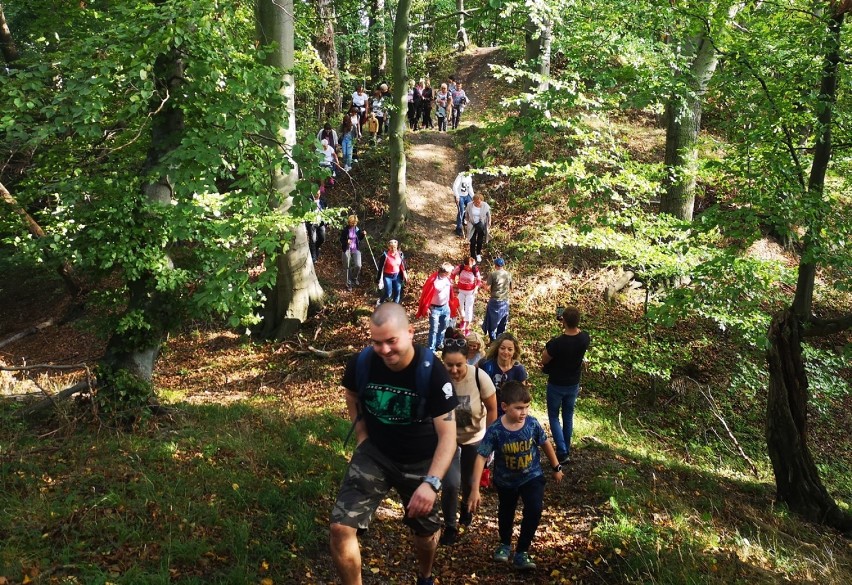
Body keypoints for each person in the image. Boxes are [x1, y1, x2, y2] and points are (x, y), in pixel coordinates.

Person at [330, 303, 458, 585]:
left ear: (410, 332)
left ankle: (425, 575)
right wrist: (362, 436)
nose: (385, 350)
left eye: (391, 341)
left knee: (425, 535)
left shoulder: (432, 372)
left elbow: (449, 435)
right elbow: (351, 394)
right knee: (341, 528)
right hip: (376, 454)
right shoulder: (362, 363)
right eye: (377, 343)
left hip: (421, 461)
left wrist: (432, 483)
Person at [468, 381, 564, 571]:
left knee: (534, 510)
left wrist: (556, 467)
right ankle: (504, 543)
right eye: (518, 408)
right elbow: (481, 457)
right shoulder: (496, 430)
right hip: (506, 481)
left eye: (526, 407)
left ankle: (522, 551)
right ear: (504, 407)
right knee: (506, 511)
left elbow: (545, 443)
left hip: (532, 476)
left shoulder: (532, 424)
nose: (524, 412)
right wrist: (474, 489)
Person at [439, 338, 498, 546]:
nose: (454, 370)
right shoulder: (438, 379)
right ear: (443, 362)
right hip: (448, 439)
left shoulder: (479, 377)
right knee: (450, 483)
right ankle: (450, 525)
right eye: (449, 365)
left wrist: (489, 440)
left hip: (475, 437)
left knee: (468, 481)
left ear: (468, 361)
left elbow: (492, 409)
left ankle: (465, 507)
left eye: (459, 365)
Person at [542, 306, 590, 465]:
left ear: (563, 321)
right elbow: (578, 331)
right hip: (573, 383)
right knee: (568, 416)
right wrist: (567, 322)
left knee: (554, 416)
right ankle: (565, 449)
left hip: (556, 383)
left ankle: (562, 452)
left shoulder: (557, 343)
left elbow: (545, 359)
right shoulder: (585, 338)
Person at [479, 331, 528, 415]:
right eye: (502, 348)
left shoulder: (519, 370)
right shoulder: (486, 364)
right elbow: (471, 374)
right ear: (497, 349)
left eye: (510, 349)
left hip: (508, 412)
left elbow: (522, 396)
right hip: (486, 409)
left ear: (514, 351)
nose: (506, 352)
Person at [482, 257, 512, 341]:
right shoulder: (508, 274)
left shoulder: (493, 274)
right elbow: (511, 288)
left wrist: (483, 284)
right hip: (505, 301)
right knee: (502, 321)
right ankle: (499, 339)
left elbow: (487, 288)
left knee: (492, 321)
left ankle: (493, 340)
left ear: (495, 265)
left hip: (495, 301)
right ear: (503, 265)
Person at [451, 256, 482, 335]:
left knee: (469, 308)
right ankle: (462, 320)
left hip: (470, 292)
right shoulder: (460, 267)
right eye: (467, 266)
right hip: (460, 291)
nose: (469, 268)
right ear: (465, 265)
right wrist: (453, 282)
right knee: (460, 307)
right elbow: (452, 274)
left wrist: (476, 288)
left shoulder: (475, 269)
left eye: (470, 266)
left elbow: (479, 280)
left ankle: (467, 327)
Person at [377, 239, 409, 304]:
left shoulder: (400, 254)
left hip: (397, 276)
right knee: (388, 293)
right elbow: (380, 268)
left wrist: (405, 273)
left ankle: (394, 307)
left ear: (397, 246)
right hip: (387, 276)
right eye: (391, 247)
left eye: (394, 247)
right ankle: (380, 302)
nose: (393, 248)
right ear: (388, 247)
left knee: (397, 292)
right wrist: (378, 279)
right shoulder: (385, 256)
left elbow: (403, 265)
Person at [339, 215, 366, 291]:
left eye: (354, 223)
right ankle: (348, 283)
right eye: (352, 223)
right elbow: (341, 240)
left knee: (358, 265)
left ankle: (354, 278)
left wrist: (363, 234)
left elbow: (359, 238)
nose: (353, 224)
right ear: (349, 222)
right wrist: (346, 241)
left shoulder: (357, 229)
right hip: (346, 249)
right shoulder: (345, 230)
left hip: (355, 249)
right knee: (347, 267)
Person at [464, 193, 491, 262]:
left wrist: (489, 222)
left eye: (479, 202)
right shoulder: (470, 205)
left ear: (481, 200)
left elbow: (488, 214)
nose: (478, 203)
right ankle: (472, 256)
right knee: (472, 241)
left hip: (481, 224)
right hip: (472, 224)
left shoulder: (485, 205)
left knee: (479, 240)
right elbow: (466, 213)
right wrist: (466, 220)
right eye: (476, 202)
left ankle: (478, 254)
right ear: (473, 201)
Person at [452, 166, 475, 237]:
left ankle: (464, 220)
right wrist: (457, 196)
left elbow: (469, 188)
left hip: (466, 195)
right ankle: (458, 228)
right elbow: (455, 186)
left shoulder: (469, 178)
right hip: (460, 196)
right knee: (461, 210)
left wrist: (473, 196)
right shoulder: (460, 176)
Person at [305, 189, 327, 263]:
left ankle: (315, 248)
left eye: (318, 193)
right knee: (313, 240)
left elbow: (326, 211)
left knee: (322, 238)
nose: (317, 195)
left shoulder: (322, 201)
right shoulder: (309, 202)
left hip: (320, 223)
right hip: (312, 223)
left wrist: (326, 221)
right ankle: (314, 257)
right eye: (316, 193)